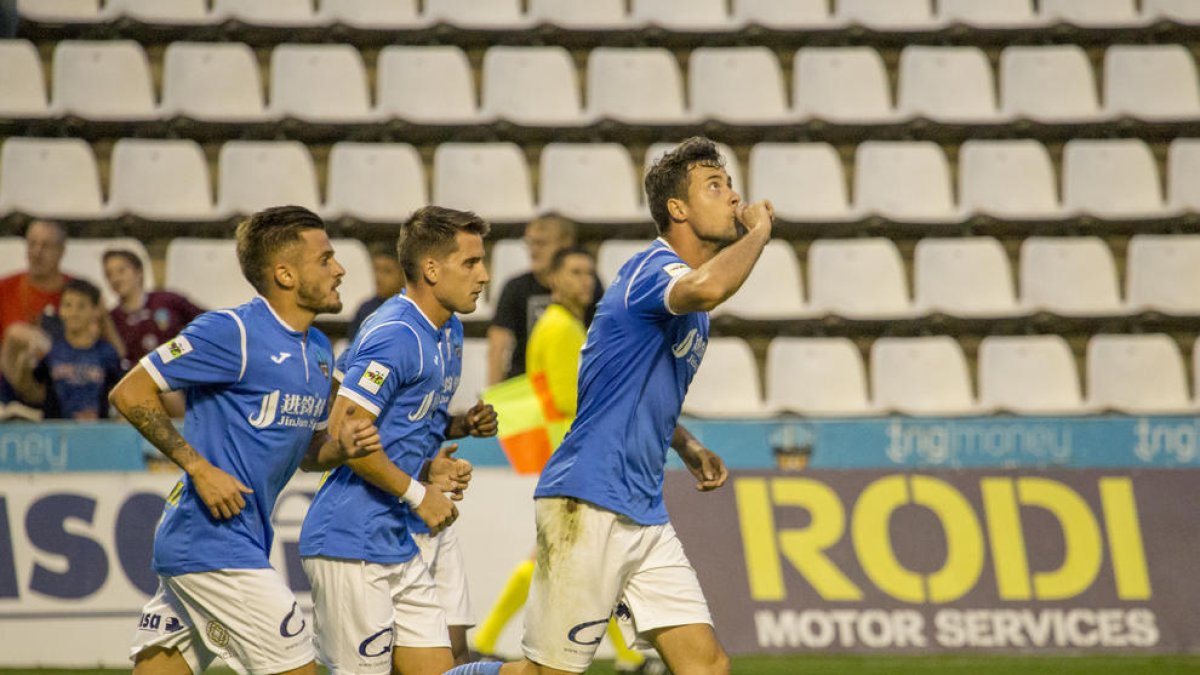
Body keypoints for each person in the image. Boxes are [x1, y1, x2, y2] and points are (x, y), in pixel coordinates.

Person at [445, 137, 775, 675]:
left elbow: (623, 384)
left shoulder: (688, 300)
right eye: (716, 186)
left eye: (732, 184)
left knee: (707, 666)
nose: (734, 198)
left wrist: (685, 443)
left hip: (642, 507)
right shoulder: (654, 272)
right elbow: (710, 286)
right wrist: (759, 232)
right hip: (589, 499)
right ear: (678, 209)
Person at [112, 205, 383, 675]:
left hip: (231, 540)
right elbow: (130, 390)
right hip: (212, 544)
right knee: (298, 666)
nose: (339, 270)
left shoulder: (318, 350)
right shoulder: (231, 331)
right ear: (284, 273)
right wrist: (199, 467)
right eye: (325, 259)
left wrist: (341, 448)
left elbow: (308, 454)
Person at [299, 205, 491, 675]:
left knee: (446, 666)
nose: (484, 275)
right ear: (431, 268)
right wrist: (417, 491)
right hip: (351, 540)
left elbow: (401, 424)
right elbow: (345, 434)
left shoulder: (447, 329)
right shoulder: (396, 334)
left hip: (396, 535)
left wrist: (429, 467)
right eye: (470, 263)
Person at [474, 247, 661, 673]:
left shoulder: (567, 324)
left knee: (577, 558)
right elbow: (567, 398)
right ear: (553, 282)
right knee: (577, 556)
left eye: (589, 273)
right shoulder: (560, 328)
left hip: (569, 454)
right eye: (574, 272)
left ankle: (486, 639)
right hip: (574, 456)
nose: (585, 281)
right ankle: (629, 658)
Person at [485, 216, 602, 386]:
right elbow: (498, 346)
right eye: (530, 243)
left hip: (572, 381)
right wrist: (492, 398)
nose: (533, 251)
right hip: (524, 387)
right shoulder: (516, 287)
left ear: (566, 243)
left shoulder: (589, 285)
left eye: (542, 244)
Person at [0, 278, 123, 419]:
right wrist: (23, 367)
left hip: (96, 434)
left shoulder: (106, 352)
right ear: (60, 309)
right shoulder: (51, 351)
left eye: (81, 306)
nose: (73, 312)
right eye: (67, 305)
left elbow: (120, 394)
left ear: (96, 311)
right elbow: (32, 393)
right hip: (55, 433)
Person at [103, 249, 204, 364]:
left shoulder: (167, 300)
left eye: (121, 271)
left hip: (181, 369)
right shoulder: (112, 318)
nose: (115, 279)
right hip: (141, 378)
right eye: (109, 274)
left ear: (139, 272)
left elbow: (207, 322)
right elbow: (119, 359)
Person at [347, 241, 406, 340]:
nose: (378, 278)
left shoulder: (415, 309)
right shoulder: (366, 310)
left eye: (387, 271)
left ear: (403, 275)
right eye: (376, 270)